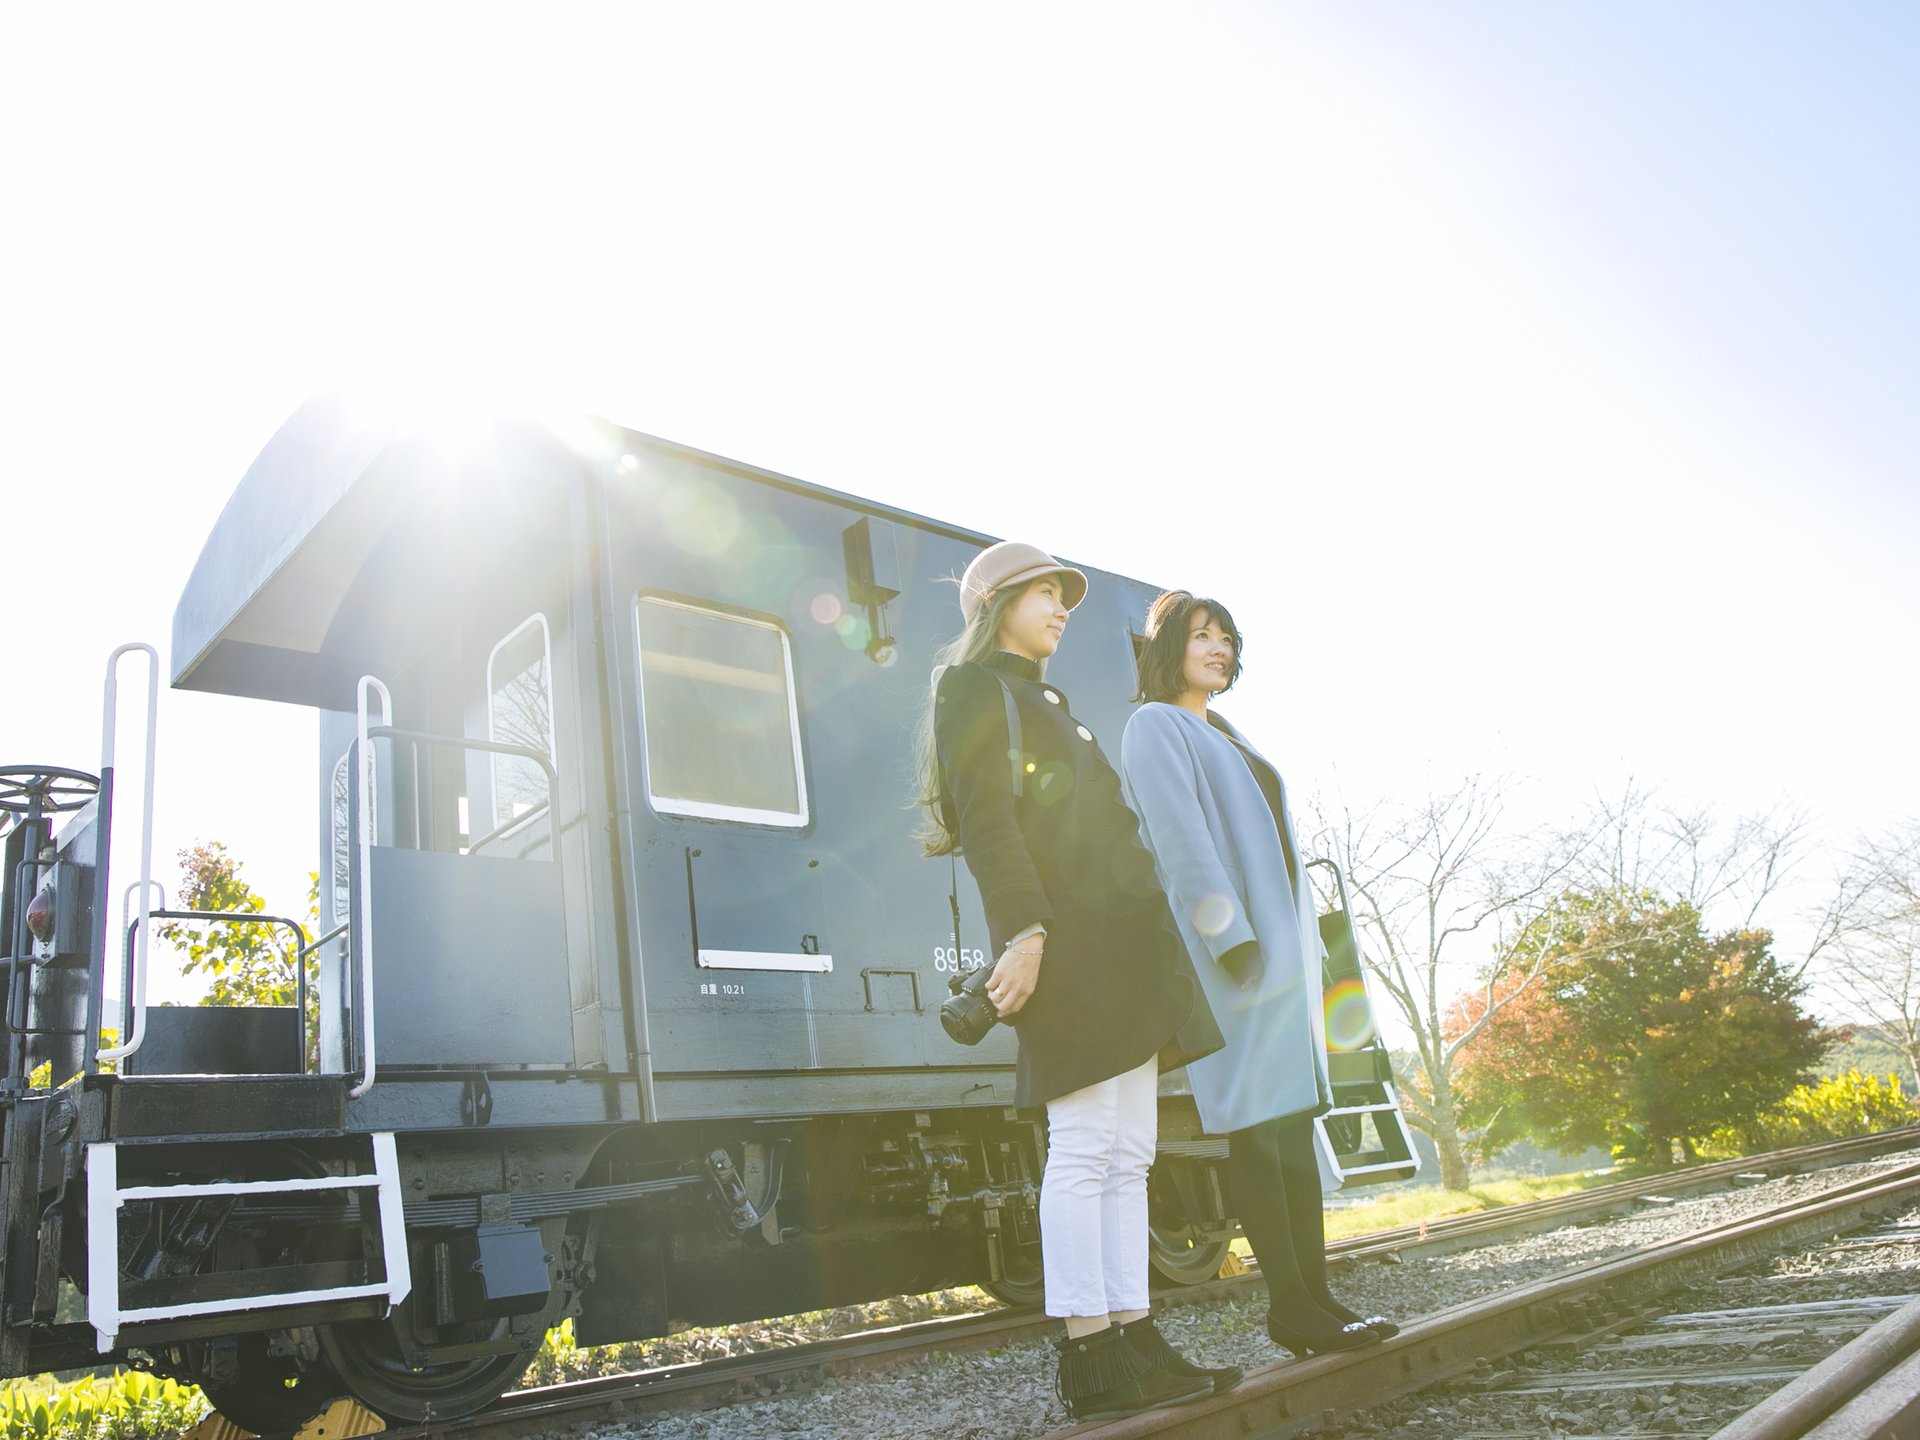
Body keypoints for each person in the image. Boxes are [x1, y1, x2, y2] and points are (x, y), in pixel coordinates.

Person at [918, 542, 1234, 1421]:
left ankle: (1135, 1335)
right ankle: (1089, 1352)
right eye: (1044, 595)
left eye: (1064, 596)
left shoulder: (1046, 699)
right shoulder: (973, 691)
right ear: (997, 605)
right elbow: (988, 824)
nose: (1062, 609)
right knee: (1087, 1146)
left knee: (1130, 1152)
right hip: (1063, 946)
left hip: (1119, 946)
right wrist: (1023, 933)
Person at [1120, 590, 1398, 1358]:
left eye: (1228, 638)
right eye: (1202, 636)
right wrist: (1231, 941)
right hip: (1238, 958)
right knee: (1256, 1126)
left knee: (1292, 1124)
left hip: (1283, 962)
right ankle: (1291, 1305)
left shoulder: (1231, 734)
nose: (1220, 648)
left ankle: (1315, 1299)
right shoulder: (1154, 726)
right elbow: (1180, 843)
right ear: (1167, 645)